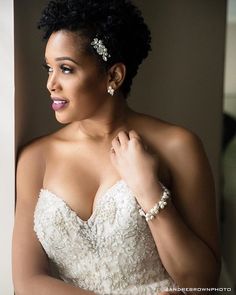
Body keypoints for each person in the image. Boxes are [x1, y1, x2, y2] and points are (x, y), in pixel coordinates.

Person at [12, 0, 221, 294]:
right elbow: (27, 282)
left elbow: (203, 283)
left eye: (66, 69)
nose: (51, 84)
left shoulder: (177, 146)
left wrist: (148, 189)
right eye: (49, 68)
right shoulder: (36, 158)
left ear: (113, 76)